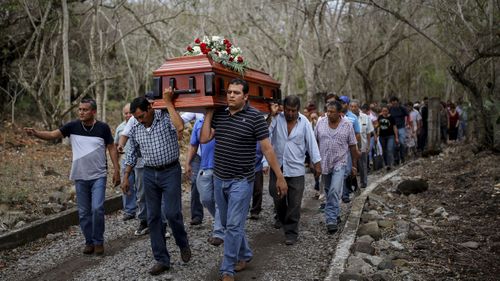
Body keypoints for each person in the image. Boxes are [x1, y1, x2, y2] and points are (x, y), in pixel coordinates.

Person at [200, 78, 288, 281]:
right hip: (219, 179)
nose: (231, 95)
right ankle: (245, 254)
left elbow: (267, 148)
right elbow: (204, 138)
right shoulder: (219, 115)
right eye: (229, 92)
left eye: (236, 93)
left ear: (246, 96)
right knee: (229, 223)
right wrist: (209, 112)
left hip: (242, 180)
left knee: (231, 225)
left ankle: (227, 269)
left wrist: (280, 176)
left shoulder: (256, 118)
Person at [24, 98, 120, 255]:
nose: (81, 112)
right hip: (80, 176)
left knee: (97, 209)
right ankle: (89, 242)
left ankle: (98, 241)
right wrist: (36, 133)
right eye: (80, 109)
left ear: (93, 112)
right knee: (83, 213)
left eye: (85, 109)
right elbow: (53, 135)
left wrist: (117, 170)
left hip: (99, 176)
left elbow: (111, 147)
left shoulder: (102, 128)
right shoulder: (72, 126)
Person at [121, 88, 191, 276]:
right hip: (150, 174)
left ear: (150, 108)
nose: (140, 120)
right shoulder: (136, 126)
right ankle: (162, 259)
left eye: (142, 116)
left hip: (170, 171)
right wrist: (126, 175)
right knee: (153, 217)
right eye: (137, 118)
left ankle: (182, 243)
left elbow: (180, 128)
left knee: (172, 213)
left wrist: (168, 103)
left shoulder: (165, 116)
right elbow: (132, 152)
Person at [268, 95, 321, 245]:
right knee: (276, 195)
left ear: (298, 109)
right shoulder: (277, 119)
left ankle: (291, 231)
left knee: (295, 202)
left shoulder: (304, 122)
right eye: (288, 110)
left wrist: (317, 162)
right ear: (283, 108)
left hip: (296, 168)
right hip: (277, 166)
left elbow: (311, 142)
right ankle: (282, 217)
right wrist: (271, 115)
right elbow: (265, 134)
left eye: (293, 111)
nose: (290, 113)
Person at [315, 101, 358, 234]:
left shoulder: (347, 125)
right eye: (328, 111)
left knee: (334, 189)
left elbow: (352, 146)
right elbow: (314, 142)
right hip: (324, 162)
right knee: (328, 190)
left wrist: (354, 166)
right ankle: (336, 213)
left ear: (340, 113)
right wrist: (314, 162)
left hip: (340, 162)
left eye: (332, 112)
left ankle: (331, 219)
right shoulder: (320, 123)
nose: (329, 114)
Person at [186, 116, 225, 246]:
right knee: (206, 199)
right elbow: (193, 145)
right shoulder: (199, 123)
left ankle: (219, 232)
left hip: (222, 167)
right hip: (205, 167)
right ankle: (224, 221)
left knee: (220, 201)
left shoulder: (224, 119)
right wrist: (188, 163)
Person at [181, 112, 205, 225]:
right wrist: (187, 162)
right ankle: (197, 215)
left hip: (216, 155)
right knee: (195, 182)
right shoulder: (197, 110)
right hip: (198, 154)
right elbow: (182, 119)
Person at [114, 103, 137, 221]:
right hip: (124, 160)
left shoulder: (139, 124)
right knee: (127, 185)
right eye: (125, 113)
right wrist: (116, 164)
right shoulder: (120, 128)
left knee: (141, 186)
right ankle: (129, 210)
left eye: (130, 113)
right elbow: (116, 145)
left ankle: (144, 210)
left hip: (139, 160)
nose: (128, 115)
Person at [339, 96, 361, 203]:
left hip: (348, 148)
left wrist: (353, 146)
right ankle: (344, 194)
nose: (341, 105)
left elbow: (357, 134)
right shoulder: (335, 115)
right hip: (337, 149)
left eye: (343, 103)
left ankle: (348, 191)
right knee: (340, 171)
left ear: (347, 104)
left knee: (348, 171)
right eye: (340, 102)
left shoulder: (353, 117)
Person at [350, 100, 374, 189]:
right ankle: (353, 185)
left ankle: (363, 183)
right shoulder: (347, 118)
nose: (353, 108)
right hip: (351, 145)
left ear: (358, 107)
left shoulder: (365, 117)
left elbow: (368, 132)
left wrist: (368, 146)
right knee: (352, 165)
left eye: (355, 106)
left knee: (363, 164)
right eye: (351, 106)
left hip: (362, 145)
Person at [249, 142, 269, 220]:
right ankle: (244, 209)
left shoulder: (260, 136)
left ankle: (255, 211)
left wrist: (265, 164)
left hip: (258, 165)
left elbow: (266, 149)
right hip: (245, 166)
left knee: (257, 189)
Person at [377, 105, 398, 170]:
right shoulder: (380, 117)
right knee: (384, 150)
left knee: (390, 149)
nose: (384, 112)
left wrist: (396, 137)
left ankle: (391, 163)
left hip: (390, 136)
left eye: (386, 111)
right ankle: (386, 164)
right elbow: (378, 126)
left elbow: (394, 127)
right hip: (382, 136)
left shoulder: (391, 118)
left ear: (388, 111)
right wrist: (377, 134)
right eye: (383, 111)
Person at [389, 96, 408, 165]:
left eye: (395, 103)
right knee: (394, 145)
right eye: (392, 103)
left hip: (401, 127)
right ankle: (396, 159)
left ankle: (403, 158)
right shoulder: (390, 109)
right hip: (393, 128)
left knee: (402, 143)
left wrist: (407, 123)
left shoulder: (402, 108)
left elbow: (407, 115)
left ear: (397, 102)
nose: (394, 104)